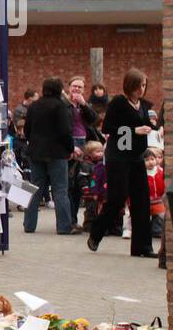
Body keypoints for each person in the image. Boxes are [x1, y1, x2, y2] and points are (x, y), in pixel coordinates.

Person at [88, 68, 156, 257]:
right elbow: (108, 127)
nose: (141, 89)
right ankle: (96, 231)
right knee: (118, 198)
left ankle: (143, 247)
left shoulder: (143, 105)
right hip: (118, 157)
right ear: (130, 86)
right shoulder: (118, 103)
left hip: (136, 157)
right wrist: (135, 130)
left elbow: (149, 125)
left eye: (144, 85)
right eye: (138, 85)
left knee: (142, 201)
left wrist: (152, 127)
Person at [22, 77, 76, 235]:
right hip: (57, 153)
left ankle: (29, 225)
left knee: (35, 188)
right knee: (60, 189)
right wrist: (70, 149)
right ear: (59, 90)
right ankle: (64, 226)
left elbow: (26, 130)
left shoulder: (34, 106)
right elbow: (65, 132)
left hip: (36, 152)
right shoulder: (60, 107)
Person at [66, 76, 98, 151]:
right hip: (69, 140)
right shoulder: (63, 103)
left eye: (80, 87)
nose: (77, 88)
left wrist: (84, 104)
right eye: (74, 86)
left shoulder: (83, 104)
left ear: (83, 90)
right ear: (69, 88)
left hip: (83, 139)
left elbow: (93, 119)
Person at [147, 148, 165, 241]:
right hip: (145, 200)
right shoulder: (142, 173)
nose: (150, 162)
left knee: (159, 215)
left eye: (152, 159)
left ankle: (157, 231)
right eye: (147, 160)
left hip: (158, 199)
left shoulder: (160, 171)